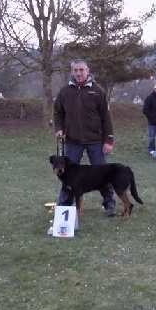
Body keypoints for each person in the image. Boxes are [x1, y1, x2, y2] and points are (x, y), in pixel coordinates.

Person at [53, 58, 116, 215]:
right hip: (73, 142)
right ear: (72, 72)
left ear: (87, 71)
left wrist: (108, 140)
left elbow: (106, 117)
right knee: (67, 177)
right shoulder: (65, 92)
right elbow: (58, 113)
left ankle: (109, 204)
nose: (79, 73)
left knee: (103, 175)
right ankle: (64, 207)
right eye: (76, 70)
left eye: (82, 70)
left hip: (96, 141)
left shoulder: (98, 91)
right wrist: (59, 128)